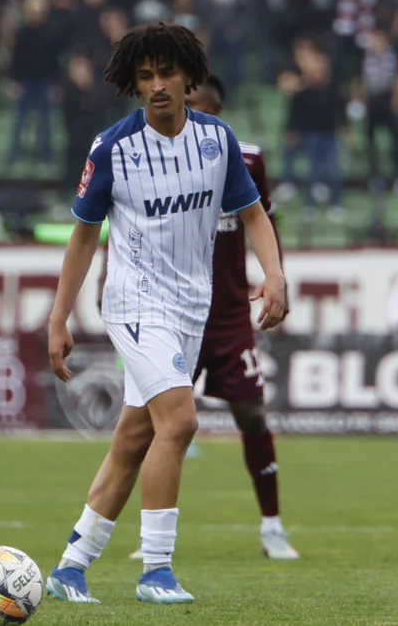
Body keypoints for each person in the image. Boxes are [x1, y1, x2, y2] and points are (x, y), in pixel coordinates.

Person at [44, 24, 287, 605]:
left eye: (166, 73)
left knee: (134, 437)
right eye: (145, 76)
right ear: (133, 82)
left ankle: (71, 566)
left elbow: (253, 215)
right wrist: (58, 318)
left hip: (192, 309)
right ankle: (156, 570)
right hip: (133, 306)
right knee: (179, 422)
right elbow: (82, 238)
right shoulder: (112, 148)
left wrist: (274, 275)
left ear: (188, 78)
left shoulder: (217, 140)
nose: (156, 85)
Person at [91, 75, 299, 561]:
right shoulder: (146, 154)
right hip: (168, 312)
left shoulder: (242, 156)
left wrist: (275, 277)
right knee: (153, 427)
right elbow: (118, 229)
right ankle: (148, 542)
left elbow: (261, 219)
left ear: (216, 106)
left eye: (197, 101)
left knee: (251, 414)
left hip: (227, 315)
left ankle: (272, 527)